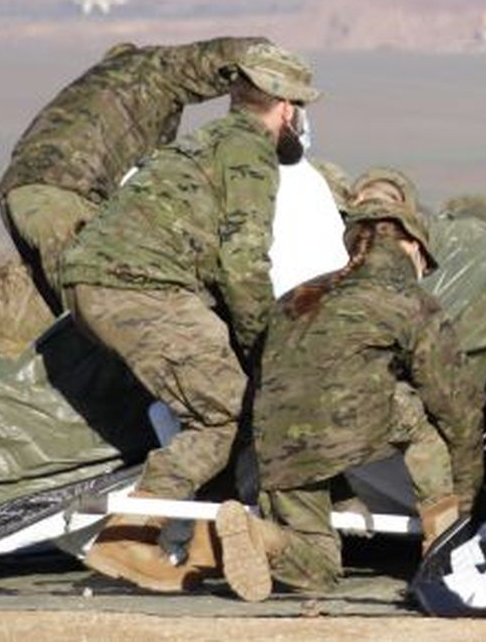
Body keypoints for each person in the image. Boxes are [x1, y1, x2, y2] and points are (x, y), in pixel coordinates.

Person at [60, 41, 320, 590]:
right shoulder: (250, 152)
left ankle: (204, 543)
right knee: (228, 408)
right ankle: (129, 535)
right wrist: (264, 348)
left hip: (100, 283)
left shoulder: (207, 140)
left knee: (216, 395)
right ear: (286, 109)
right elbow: (245, 264)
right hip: (139, 287)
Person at [215, 196, 484, 602]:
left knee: (318, 568)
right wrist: (466, 502)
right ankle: (442, 547)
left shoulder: (294, 297)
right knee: (429, 423)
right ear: (411, 244)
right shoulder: (411, 302)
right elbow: (457, 407)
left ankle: (262, 537)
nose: (423, 273)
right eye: (425, 263)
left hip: (275, 437)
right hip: (351, 421)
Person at [0, 36, 266, 316]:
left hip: (17, 195)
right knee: (104, 314)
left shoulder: (85, 92)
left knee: (74, 321)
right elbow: (229, 54)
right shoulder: (153, 68)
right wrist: (279, 74)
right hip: (64, 194)